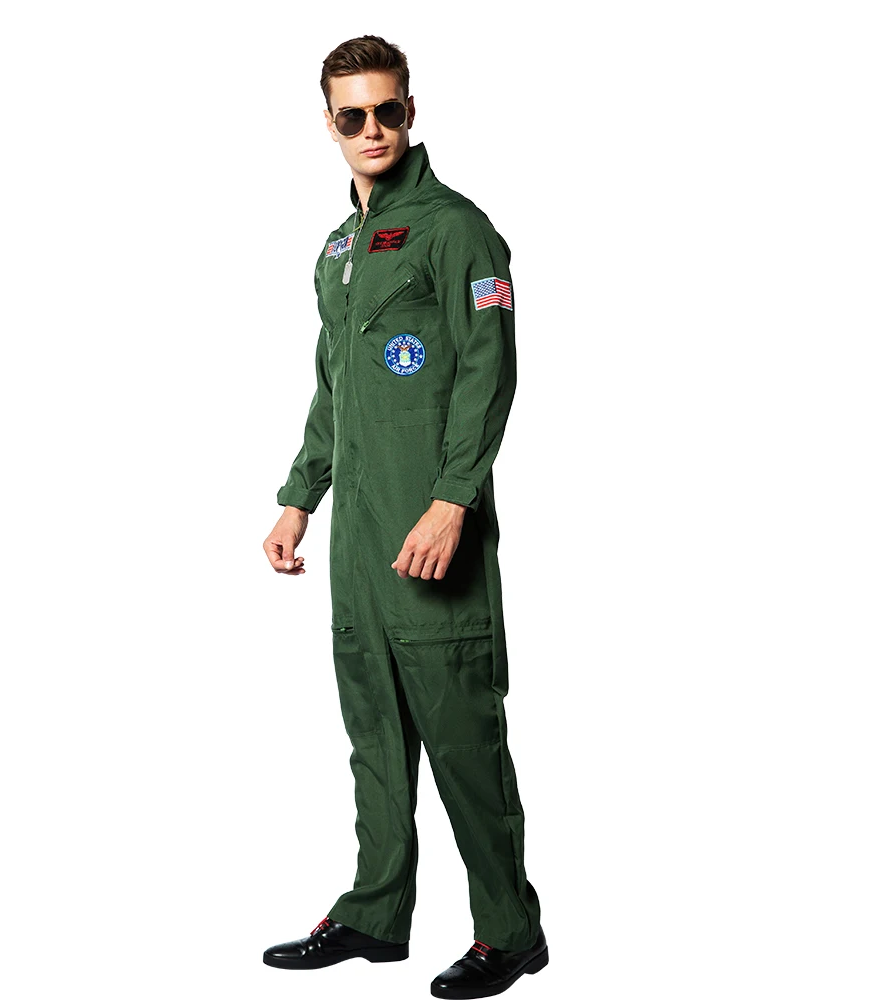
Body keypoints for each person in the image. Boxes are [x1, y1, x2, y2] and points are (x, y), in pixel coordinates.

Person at [261, 35, 547, 999]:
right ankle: (375, 914)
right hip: (358, 539)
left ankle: (510, 931)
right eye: (353, 116)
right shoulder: (338, 249)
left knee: (462, 735)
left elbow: (489, 372)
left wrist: (452, 500)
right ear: (330, 124)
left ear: (411, 112)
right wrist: (299, 497)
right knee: (375, 733)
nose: (372, 129)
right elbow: (332, 387)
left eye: (387, 111)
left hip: (432, 531)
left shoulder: (457, 230)